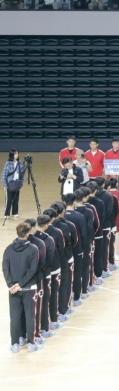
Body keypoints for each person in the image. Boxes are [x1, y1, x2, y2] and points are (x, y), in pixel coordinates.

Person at [4, 222, 40, 352]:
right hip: (28, 288)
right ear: (27, 234)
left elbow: (5, 268)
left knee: (15, 317)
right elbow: (33, 269)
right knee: (30, 316)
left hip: (13, 290)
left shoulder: (8, 249)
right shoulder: (33, 249)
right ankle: (31, 343)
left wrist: (11, 285)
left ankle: (15, 344)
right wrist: (21, 284)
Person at [3, 150, 26, 219]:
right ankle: (7, 213)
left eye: (17, 154)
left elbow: (22, 174)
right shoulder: (7, 164)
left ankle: (15, 212)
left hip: (17, 183)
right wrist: (4, 185)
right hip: (10, 183)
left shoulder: (20, 163)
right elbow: (4, 175)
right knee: (9, 199)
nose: (17, 155)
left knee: (16, 199)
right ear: (12, 155)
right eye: (15, 154)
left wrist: (21, 183)